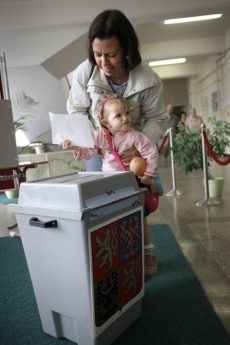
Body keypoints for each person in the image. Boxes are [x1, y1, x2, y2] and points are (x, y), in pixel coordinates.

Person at [60, 94, 163, 277]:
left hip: (133, 182)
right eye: (118, 115)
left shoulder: (134, 136)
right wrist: (73, 147)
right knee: (117, 218)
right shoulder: (100, 136)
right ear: (106, 122)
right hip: (111, 184)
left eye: (127, 113)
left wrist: (148, 175)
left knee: (141, 216)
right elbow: (88, 151)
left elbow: (150, 152)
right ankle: (124, 257)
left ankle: (149, 253)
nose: (125, 117)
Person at [67, 9, 166, 172]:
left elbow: (155, 118)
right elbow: (76, 109)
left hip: (134, 150)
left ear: (127, 50)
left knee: (134, 194)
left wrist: (137, 146)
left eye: (111, 55)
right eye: (98, 54)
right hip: (97, 151)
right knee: (98, 195)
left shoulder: (149, 79)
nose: (104, 62)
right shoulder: (85, 72)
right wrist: (96, 141)